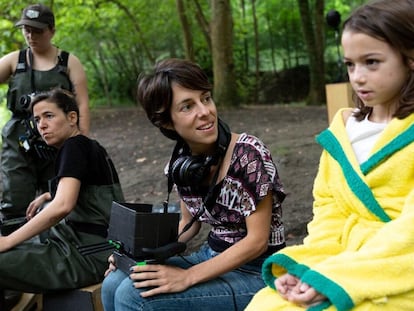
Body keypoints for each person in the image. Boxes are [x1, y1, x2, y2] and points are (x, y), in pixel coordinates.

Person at [246, 0, 414, 310]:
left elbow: (410, 231)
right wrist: (309, 269)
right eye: (350, 64)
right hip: (340, 258)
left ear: (410, 59)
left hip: (398, 266)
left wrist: (338, 278)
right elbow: (328, 211)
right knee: (265, 304)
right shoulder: (343, 133)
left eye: (372, 62)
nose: (358, 77)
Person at [101, 58, 286, 310]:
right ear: (166, 121)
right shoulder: (181, 164)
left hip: (259, 271)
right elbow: (188, 225)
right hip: (211, 256)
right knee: (114, 282)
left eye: (206, 98)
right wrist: (132, 257)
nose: (204, 111)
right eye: (187, 106)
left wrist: (187, 277)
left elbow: (257, 241)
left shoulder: (248, 155)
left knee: (132, 296)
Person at [0, 88, 124, 303]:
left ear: (72, 117)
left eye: (49, 116)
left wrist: (9, 241)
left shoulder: (74, 147)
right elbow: (85, 188)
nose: (42, 125)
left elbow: (63, 206)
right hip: (93, 246)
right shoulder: (86, 146)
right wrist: (49, 194)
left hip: (89, 254)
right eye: (37, 119)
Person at [0, 3, 90, 219]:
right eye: (26, 29)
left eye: (37, 30)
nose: (30, 36)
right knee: (15, 195)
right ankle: (13, 246)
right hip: (19, 141)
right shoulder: (15, 60)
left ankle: (53, 247)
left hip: (58, 142)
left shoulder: (69, 62)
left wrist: (82, 144)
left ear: (52, 30)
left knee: (58, 196)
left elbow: (83, 104)